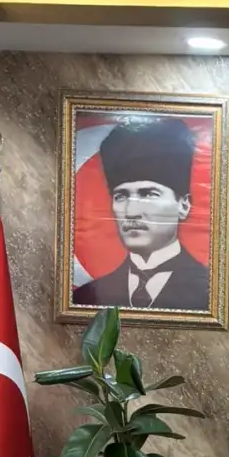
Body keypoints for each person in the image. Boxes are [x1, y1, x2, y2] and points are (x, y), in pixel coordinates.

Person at [72, 117, 210, 312]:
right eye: (121, 196)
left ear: (183, 205)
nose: (131, 212)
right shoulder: (85, 298)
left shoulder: (210, 295)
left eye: (149, 194)